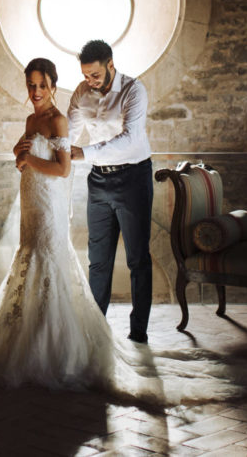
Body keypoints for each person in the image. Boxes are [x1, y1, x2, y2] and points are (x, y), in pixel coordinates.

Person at [0, 58, 247, 402]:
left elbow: (63, 169)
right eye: (30, 85)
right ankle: (26, 347)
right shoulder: (32, 118)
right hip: (31, 201)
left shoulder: (58, 119)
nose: (35, 91)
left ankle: (66, 351)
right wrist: (19, 155)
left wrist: (29, 160)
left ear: (52, 85)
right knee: (41, 260)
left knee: (56, 261)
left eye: (41, 85)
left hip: (53, 202)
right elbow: (24, 153)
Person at [68, 39, 153, 344]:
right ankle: (95, 329)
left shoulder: (134, 90)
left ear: (111, 65)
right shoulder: (81, 91)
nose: (90, 82)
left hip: (133, 178)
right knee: (98, 260)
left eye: (95, 75)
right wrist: (44, 149)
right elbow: (69, 132)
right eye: (85, 75)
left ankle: (139, 332)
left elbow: (130, 140)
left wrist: (83, 153)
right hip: (98, 182)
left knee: (137, 259)